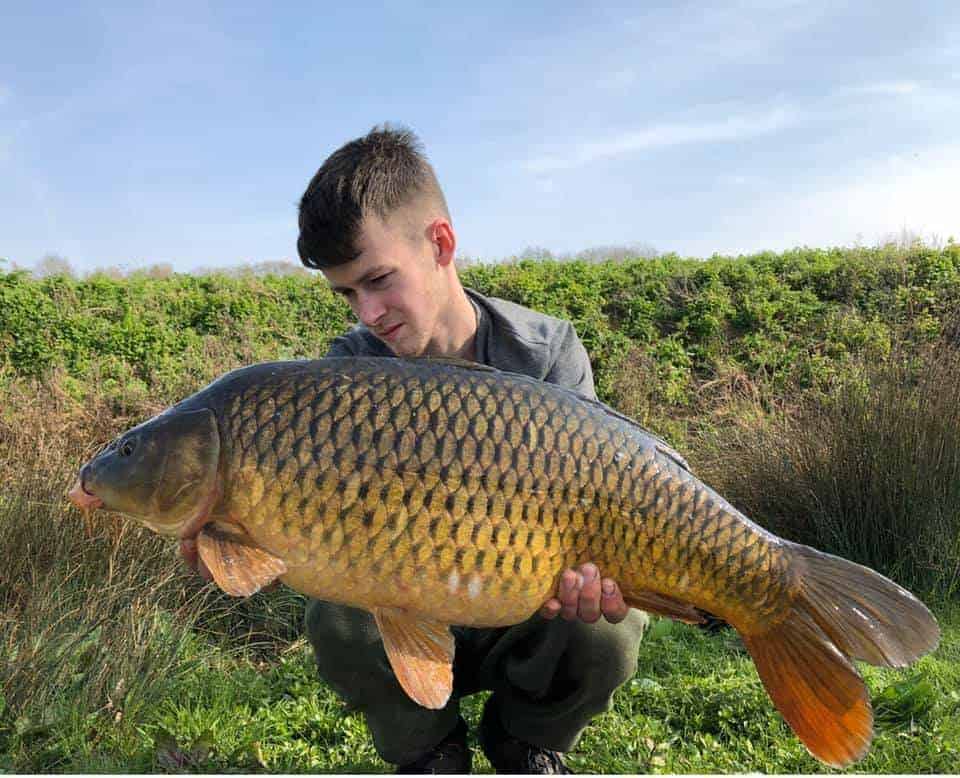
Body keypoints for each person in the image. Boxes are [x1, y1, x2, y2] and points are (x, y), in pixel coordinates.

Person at [182, 124, 649, 774]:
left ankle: (525, 738)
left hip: (523, 599)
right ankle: (428, 750)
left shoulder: (545, 352)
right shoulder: (346, 375)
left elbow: (599, 505)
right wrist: (233, 541)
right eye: (347, 293)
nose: (367, 313)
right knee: (337, 615)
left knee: (608, 625)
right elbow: (306, 528)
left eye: (378, 280)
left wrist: (597, 573)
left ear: (440, 243)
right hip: (411, 599)